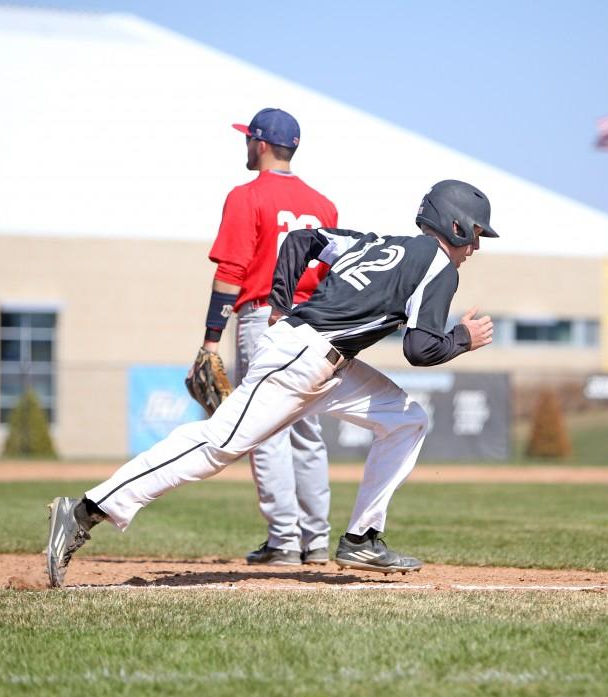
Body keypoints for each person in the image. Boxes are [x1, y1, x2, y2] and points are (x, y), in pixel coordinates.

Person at [45, 179, 498, 587]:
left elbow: (304, 239)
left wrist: (280, 303)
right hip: (301, 359)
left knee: (407, 420)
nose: (476, 245)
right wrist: (462, 338)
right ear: (455, 225)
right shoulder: (440, 265)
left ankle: (363, 535)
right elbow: (420, 349)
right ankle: (85, 510)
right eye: (476, 233)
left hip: (322, 362)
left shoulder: (378, 243)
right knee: (216, 445)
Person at [202, 107, 338, 566]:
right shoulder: (324, 206)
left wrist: (210, 339)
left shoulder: (246, 196)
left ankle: (283, 540)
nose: (245, 146)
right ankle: (316, 540)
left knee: (265, 432)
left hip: (265, 320)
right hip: (314, 323)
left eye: (247, 140)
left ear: (259, 144)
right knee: (307, 430)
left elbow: (231, 272)